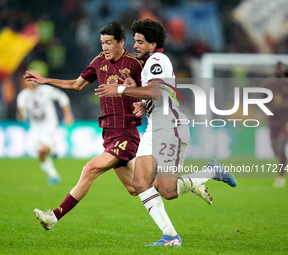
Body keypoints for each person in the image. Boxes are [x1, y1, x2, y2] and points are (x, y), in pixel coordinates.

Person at [24, 21, 211, 232]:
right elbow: (76, 85)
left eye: (109, 43)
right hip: (109, 135)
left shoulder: (136, 63)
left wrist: (139, 101)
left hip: (126, 134)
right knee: (136, 187)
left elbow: (150, 90)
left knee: (90, 169)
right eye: (102, 43)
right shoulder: (98, 62)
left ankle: (53, 217)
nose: (104, 48)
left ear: (121, 43)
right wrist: (45, 80)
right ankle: (192, 182)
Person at [95, 19, 237, 247]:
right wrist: (140, 100)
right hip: (155, 129)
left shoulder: (158, 60)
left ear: (153, 44)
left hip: (171, 129)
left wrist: (120, 88)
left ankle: (212, 171)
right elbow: (153, 94)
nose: (136, 46)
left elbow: (157, 91)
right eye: (135, 41)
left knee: (167, 191)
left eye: (140, 42)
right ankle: (170, 236)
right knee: (140, 183)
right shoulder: (150, 63)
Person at [17, 73, 74, 185]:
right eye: (28, 79)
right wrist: (20, 113)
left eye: (33, 78)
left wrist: (68, 114)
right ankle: (53, 175)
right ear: (24, 81)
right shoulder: (23, 96)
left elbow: (63, 98)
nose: (31, 81)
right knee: (40, 153)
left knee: (43, 149)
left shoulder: (46, 90)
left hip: (49, 124)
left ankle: (52, 150)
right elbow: (21, 117)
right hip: (35, 128)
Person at [262, 62, 288, 187]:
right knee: (275, 148)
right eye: (277, 69)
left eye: (281, 69)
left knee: (281, 146)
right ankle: (286, 140)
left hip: (287, 120)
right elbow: (261, 102)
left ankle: (281, 176)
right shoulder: (267, 85)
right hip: (273, 121)